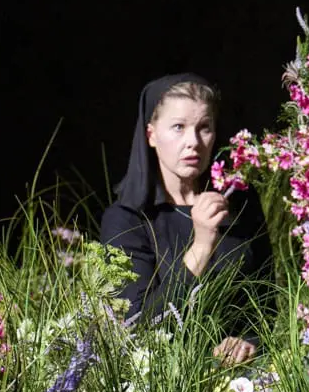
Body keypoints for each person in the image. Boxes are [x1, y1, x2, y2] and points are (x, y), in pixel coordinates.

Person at [100, 73, 272, 364]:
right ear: (151, 134)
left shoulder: (240, 203)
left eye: (204, 127)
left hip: (248, 382)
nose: (193, 142)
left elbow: (266, 301)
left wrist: (249, 344)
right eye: (178, 127)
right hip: (166, 383)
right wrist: (201, 246)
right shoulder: (127, 219)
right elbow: (139, 326)